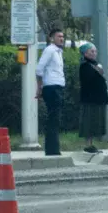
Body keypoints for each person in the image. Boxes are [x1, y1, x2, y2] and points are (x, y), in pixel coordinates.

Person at [35, 28, 66, 156]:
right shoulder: (50, 50)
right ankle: (52, 149)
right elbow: (39, 69)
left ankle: (53, 148)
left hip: (58, 86)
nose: (61, 39)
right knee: (53, 118)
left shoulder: (58, 52)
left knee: (55, 118)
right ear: (52, 38)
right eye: (59, 36)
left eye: (62, 36)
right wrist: (39, 87)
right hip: (51, 87)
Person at [77, 42, 108, 154]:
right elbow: (88, 81)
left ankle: (91, 144)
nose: (94, 53)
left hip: (98, 98)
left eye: (95, 51)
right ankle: (88, 145)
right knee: (89, 122)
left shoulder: (96, 64)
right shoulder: (85, 66)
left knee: (96, 122)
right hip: (90, 99)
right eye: (92, 51)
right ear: (85, 53)